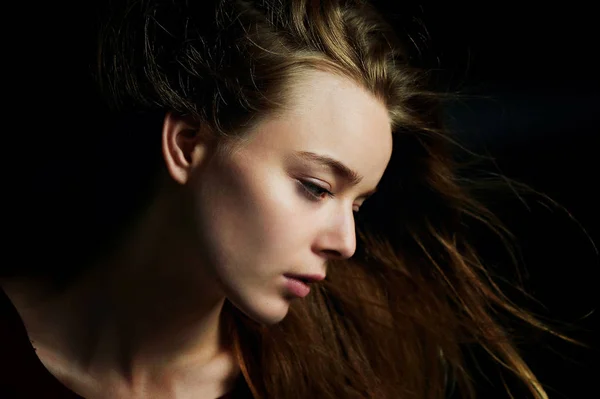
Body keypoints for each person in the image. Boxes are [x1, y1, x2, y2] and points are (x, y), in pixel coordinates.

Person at [0, 0, 565, 398]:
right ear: (188, 144)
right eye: (316, 188)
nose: (345, 243)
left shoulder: (335, 381)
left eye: (358, 205)